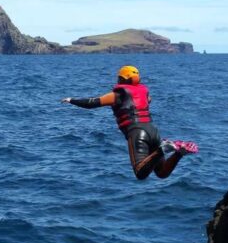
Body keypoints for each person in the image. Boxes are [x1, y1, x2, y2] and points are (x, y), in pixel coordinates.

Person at [61, 65, 198, 180]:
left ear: (122, 79)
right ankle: (179, 153)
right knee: (161, 173)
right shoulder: (144, 93)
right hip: (153, 131)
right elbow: (148, 101)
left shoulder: (118, 95)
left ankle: (164, 149)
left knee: (140, 173)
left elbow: (92, 103)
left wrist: (71, 100)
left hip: (137, 131)